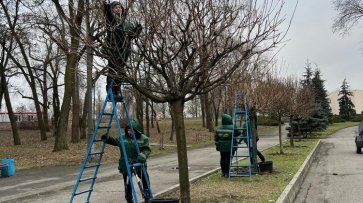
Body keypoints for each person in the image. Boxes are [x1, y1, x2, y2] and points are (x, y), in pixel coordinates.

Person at [101, 119, 151, 203]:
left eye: (132, 130)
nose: (130, 132)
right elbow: (115, 141)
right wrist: (107, 138)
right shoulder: (123, 137)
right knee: (127, 183)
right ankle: (129, 199)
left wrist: (143, 155)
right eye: (128, 130)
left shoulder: (143, 138)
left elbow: (146, 149)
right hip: (126, 164)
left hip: (139, 164)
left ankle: (147, 197)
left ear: (136, 130)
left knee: (145, 180)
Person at [102, 1, 142, 100]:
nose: (118, 9)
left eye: (120, 7)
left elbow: (132, 35)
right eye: (115, 7)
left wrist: (137, 29)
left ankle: (117, 90)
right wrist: (107, 9)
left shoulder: (126, 22)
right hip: (113, 49)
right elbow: (109, 17)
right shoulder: (112, 20)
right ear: (112, 10)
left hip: (124, 51)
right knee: (112, 69)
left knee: (121, 71)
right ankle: (110, 91)